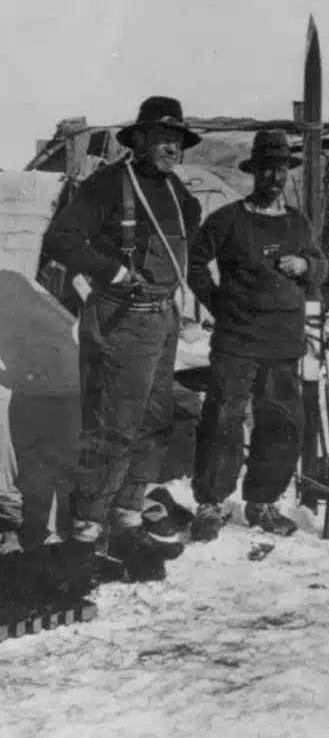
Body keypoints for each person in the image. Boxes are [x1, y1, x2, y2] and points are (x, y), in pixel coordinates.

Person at [40, 96, 202, 585]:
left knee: (154, 423)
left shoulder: (177, 192)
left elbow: (187, 231)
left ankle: (128, 521)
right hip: (121, 320)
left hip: (162, 318)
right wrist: (111, 269)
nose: (170, 148)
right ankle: (84, 537)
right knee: (114, 429)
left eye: (177, 141)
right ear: (141, 141)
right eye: (162, 139)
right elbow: (61, 241)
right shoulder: (109, 184)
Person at [186, 130, 327, 543]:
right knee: (223, 419)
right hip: (237, 340)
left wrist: (304, 265)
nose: (273, 177)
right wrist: (219, 304)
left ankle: (263, 503)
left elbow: (320, 263)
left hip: (284, 340)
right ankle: (211, 504)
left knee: (281, 422)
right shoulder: (228, 220)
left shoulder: (298, 223)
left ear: (287, 173)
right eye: (265, 169)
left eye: (280, 170)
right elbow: (194, 263)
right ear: (253, 173)